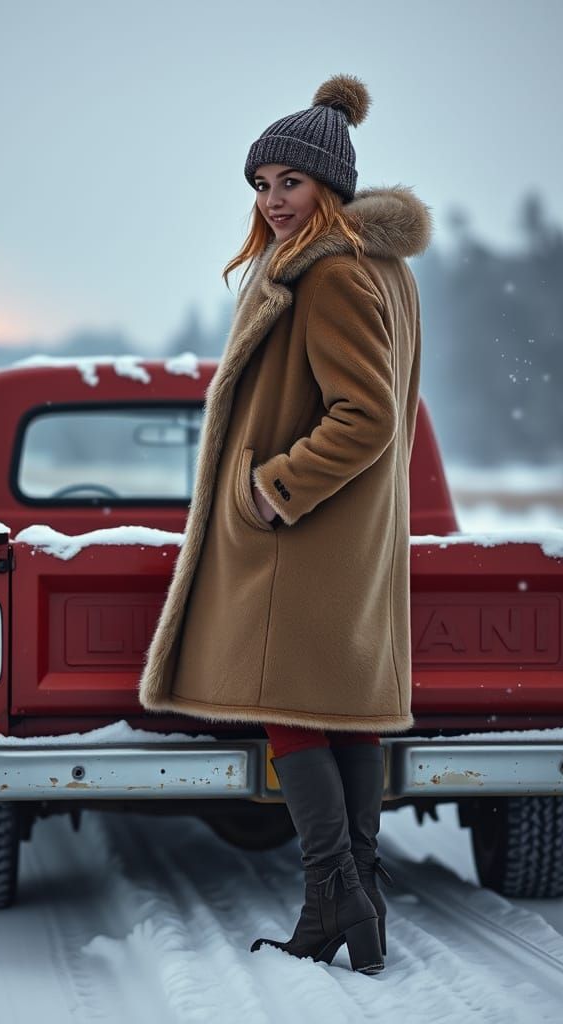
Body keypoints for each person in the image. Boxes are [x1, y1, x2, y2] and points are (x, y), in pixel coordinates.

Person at [138, 73, 432, 975]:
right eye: (260, 185)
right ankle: (354, 897)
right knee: (332, 714)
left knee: (292, 715)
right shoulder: (374, 267)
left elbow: (366, 416)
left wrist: (273, 487)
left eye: (288, 183)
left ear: (329, 186)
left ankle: (332, 893)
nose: (271, 202)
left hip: (302, 538)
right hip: (340, 539)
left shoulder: (332, 269)